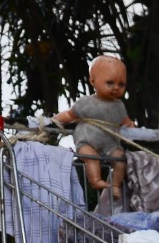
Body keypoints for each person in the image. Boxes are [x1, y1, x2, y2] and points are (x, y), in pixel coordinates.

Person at [53, 54, 133, 200]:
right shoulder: (86, 103)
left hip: (110, 143)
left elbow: (125, 120)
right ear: (93, 80)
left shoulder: (119, 106)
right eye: (110, 83)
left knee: (120, 159)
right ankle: (95, 181)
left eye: (121, 84)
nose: (116, 88)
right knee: (91, 158)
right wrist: (53, 121)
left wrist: (131, 126)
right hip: (87, 140)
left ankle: (115, 185)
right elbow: (69, 115)